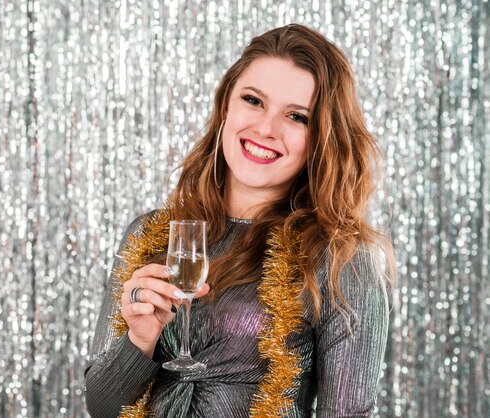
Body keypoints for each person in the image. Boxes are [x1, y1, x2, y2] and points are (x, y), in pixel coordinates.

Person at [85, 24, 394, 417]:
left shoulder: (341, 258)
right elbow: (100, 407)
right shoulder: (149, 235)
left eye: (297, 116)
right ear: (225, 105)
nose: (266, 128)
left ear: (321, 138)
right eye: (253, 100)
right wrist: (140, 339)